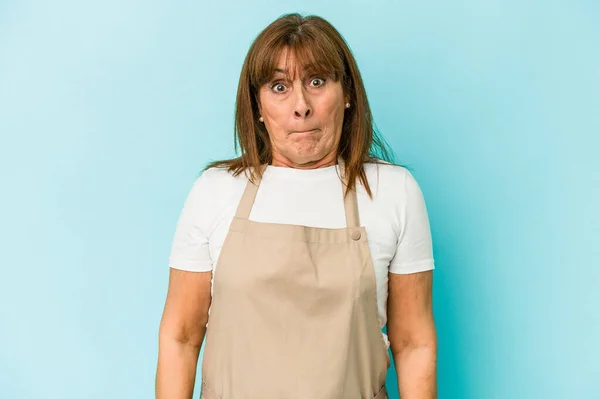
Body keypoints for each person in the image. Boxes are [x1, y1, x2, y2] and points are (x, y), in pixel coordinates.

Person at [156, 13, 437, 399]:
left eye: (317, 81)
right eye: (279, 86)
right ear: (256, 105)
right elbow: (181, 338)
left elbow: (414, 343)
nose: (301, 105)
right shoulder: (214, 192)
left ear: (348, 92)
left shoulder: (394, 191)